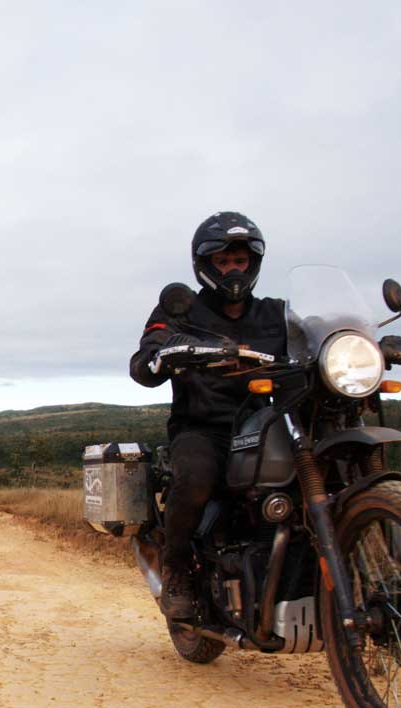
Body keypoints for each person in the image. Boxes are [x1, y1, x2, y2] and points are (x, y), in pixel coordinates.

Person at [128, 212, 288, 621]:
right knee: (196, 477)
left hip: (266, 426)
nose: (233, 269)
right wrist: (164, 352)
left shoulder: (277, 313)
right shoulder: (182, 309)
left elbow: (317, 335)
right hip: (202, 428)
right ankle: (177, 570)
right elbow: (145, 362)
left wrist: (356, 337)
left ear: (253, 263)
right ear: (205, 264)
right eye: (223, 261)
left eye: (240, 260)